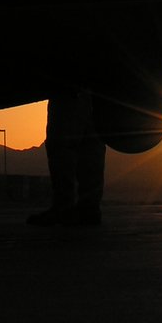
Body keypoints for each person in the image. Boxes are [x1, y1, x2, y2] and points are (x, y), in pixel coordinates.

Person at [27, 88, 106, 226]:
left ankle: (65, 209)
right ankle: (89, 210)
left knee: (62, 145)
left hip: (69, 88)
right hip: (97, 92)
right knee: (91, 148)